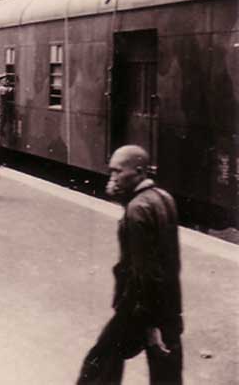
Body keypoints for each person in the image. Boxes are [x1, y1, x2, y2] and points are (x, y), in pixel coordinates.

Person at [77, 145, 182, 385]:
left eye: (117, 172)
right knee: (167, 375)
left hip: (139, 309)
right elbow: (170, 263)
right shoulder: (164, 198)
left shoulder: (136, 210)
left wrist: (150, 324)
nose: (112, 178)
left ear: (138, 172)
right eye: (111, 172)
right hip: (169, 307)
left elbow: (144, 273)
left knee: (99, 364)